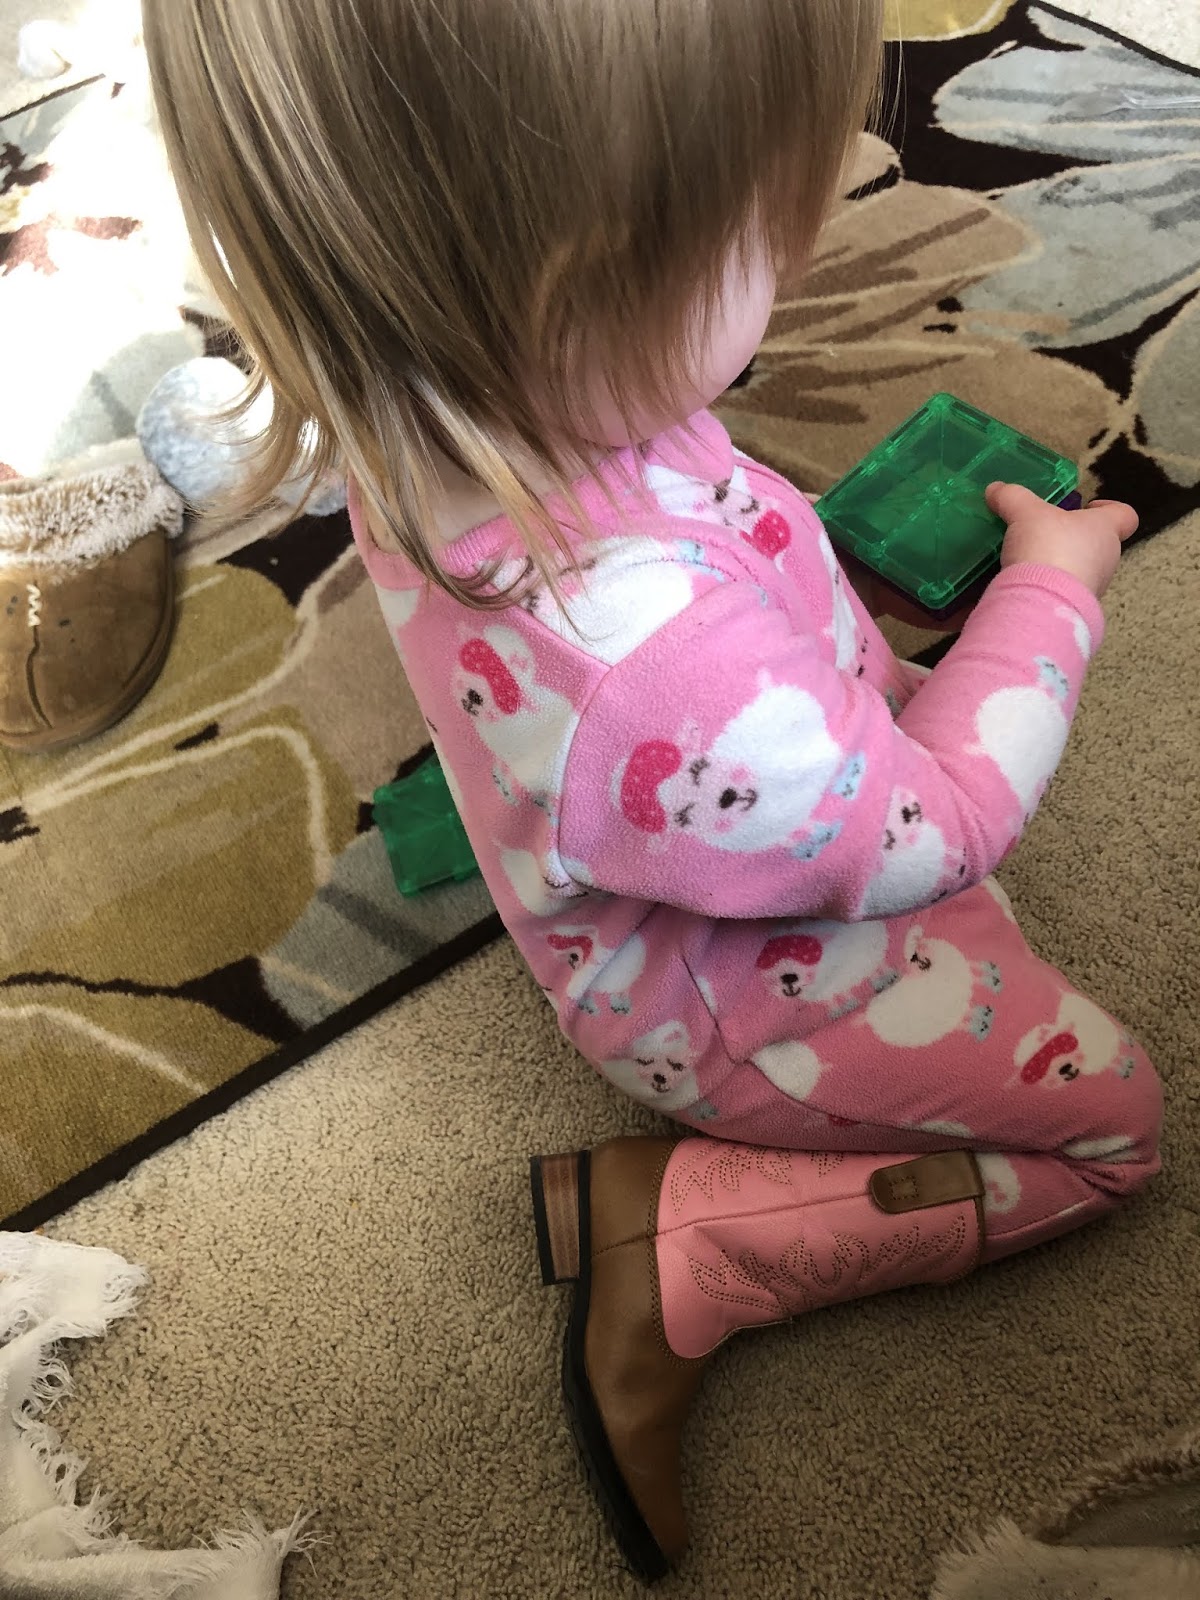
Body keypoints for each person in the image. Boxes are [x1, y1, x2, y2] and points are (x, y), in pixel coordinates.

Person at [143, 0, 1162, 1580]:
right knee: (1115, 1132)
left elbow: (702, 542)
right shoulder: (658, 665)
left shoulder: (437, 386)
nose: (808, 247)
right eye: (773, 222)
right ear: (583, 286)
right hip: (748, 1005)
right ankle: (689, 1239)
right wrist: (1050, 593)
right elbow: (944, 827)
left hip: (683, 839)